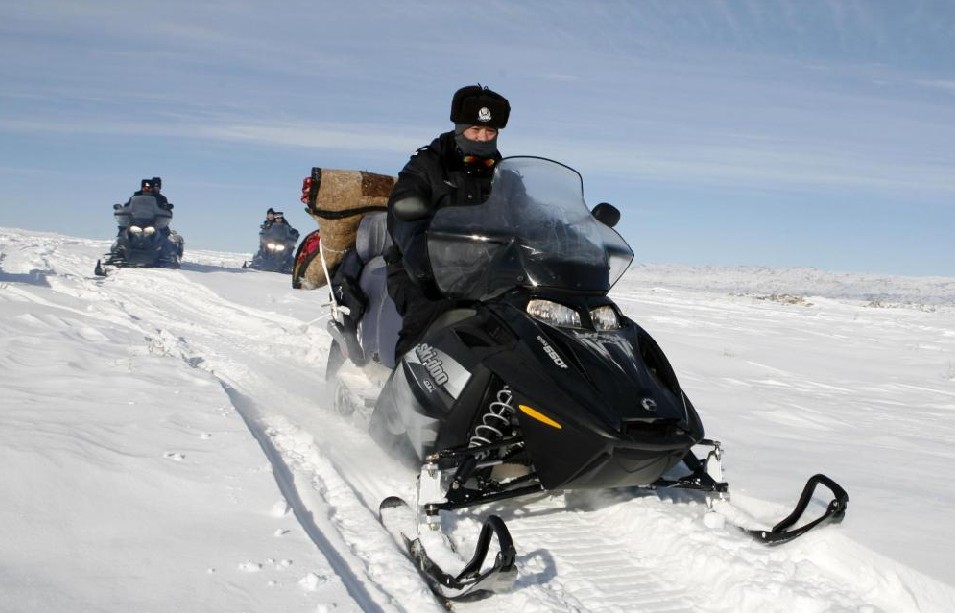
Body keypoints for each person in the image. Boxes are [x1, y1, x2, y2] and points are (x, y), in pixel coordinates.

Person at [385, 84, 510, 357]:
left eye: (489, 132)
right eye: (475, 130)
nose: (482, 138)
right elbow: (402, 213)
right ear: (460, 129)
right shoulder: (427, 165)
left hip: (486, 271)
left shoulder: (506, 174)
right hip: (423, 269)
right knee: (430, 318)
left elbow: (526, 213)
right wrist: (421, 257)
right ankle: (401, 391)